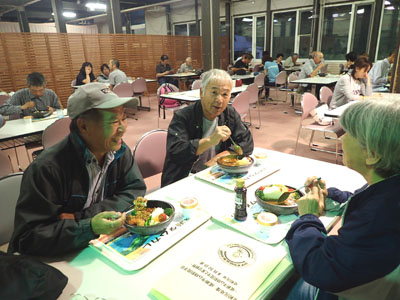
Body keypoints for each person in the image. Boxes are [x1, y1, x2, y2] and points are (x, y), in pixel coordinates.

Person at [8, 83, 146, 256]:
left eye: (124, 118)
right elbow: (27, 238)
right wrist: (88, 227)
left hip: (98, 247)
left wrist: (82, 217)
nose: (122, 129)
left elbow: (135, 188)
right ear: (83, 126)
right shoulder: (47, 169)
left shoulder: (118, 151)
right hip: (60, 259)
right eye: (113, 121)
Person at [285, 98, 400, 300]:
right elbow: (364, 199)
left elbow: (321, 268)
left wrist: (308, 217)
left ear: (371, 154)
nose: (341, 138)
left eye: (348, 133)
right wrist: (333, 195)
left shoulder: (380, 218)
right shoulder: (388, 187)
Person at [161, 69, 254, 187]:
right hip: (185, 178)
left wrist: (219, 158)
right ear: (202, 93)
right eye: (214, 92)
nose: (219, 100)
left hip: (216, 175)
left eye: (225, 94)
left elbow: (247, 142)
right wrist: (210, 141)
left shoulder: (229, 113)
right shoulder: (183, 117)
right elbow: (176, 152)